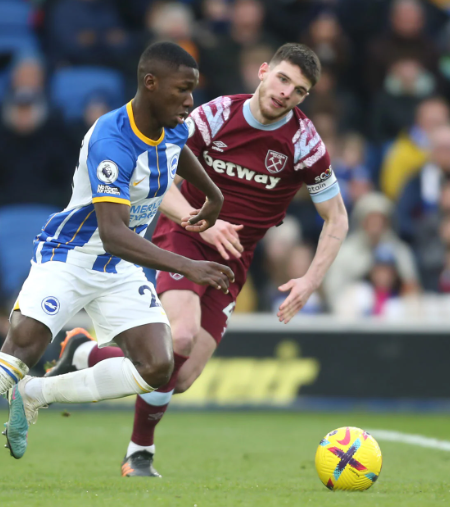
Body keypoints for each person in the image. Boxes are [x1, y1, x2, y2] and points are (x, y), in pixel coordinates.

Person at [0, 41, 233, 488]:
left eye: (192, 90)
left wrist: (213, 193)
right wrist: (187, 265)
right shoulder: (111, 140)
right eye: (182, 89)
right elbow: (113, 233)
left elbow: (178, 148)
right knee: (15, 357)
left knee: (157, 368)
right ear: (150, 83)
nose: (190, 100)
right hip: (70, 257)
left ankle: (37, 393)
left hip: (118, 267)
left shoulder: (171, 123)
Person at [46, 43, 349, 477]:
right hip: (184, 235)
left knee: (181, 377)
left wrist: (310, 280)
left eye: (299, 90)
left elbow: (337, 218)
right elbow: (158, 178)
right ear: (264, 71)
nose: (286, 92)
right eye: (283, 79)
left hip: (234, 259)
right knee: (181, 336)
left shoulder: (304, 143)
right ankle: (140, 453)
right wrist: (199, 220)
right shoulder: (215, 115)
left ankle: (85, 352)